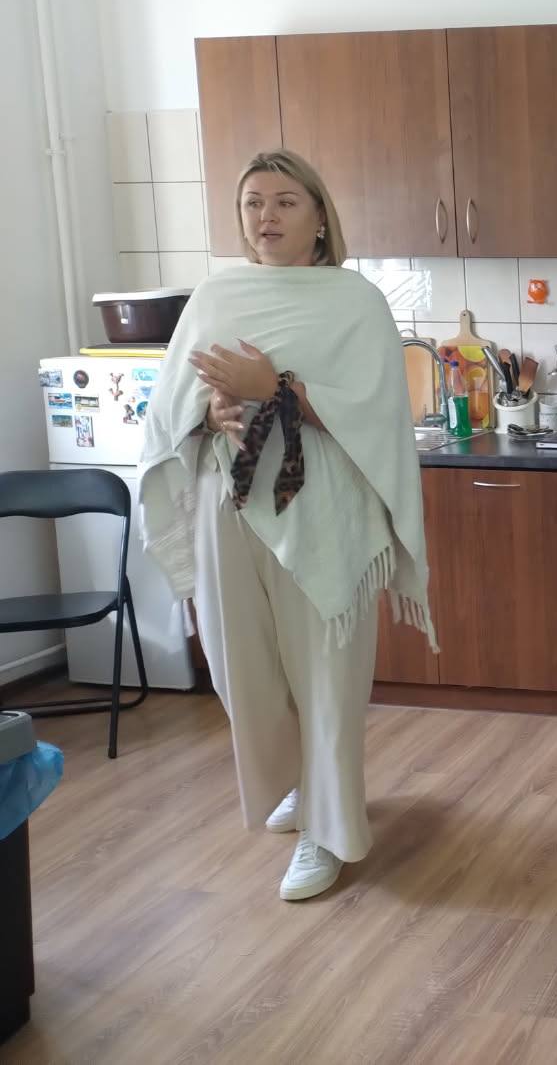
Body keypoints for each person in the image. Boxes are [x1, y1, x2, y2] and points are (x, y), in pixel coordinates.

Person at [139, 149, 434, 901]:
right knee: (240, 664)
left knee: (326, 672)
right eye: (252, 203)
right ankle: (299, 783)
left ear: (319, 217)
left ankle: (327, 831)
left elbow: (378, 412)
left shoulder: (355, 301)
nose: (265, 216)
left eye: (284, 202)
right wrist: (210, 410)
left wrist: (274, 387)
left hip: (323, 505)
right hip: (227, 502)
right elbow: (168, 407)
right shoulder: (215, 295)